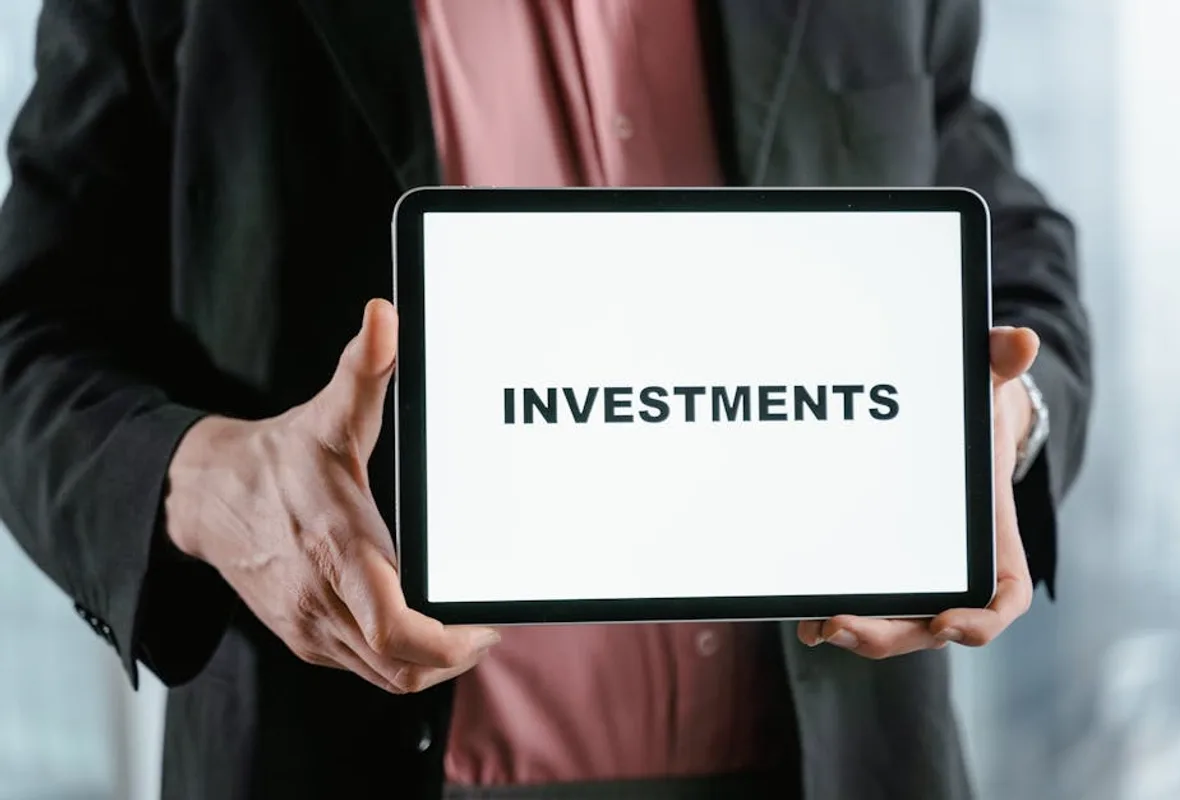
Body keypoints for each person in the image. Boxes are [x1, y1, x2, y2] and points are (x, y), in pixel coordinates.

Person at [0, 1, 1091, 798]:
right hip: (340, 756)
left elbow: (1005, 243)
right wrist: (204, 480)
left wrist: (1004, 422)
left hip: (840, 762)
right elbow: (29, 324)